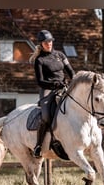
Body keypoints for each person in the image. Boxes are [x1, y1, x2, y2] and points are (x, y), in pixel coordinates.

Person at [29, 29, 75, 158]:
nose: (48, 44)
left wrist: (75, 81)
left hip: (63, 87)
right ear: (41, 44)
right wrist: (54, 84)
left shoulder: (60, 55)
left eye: (50, 41)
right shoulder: (39, 60)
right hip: (47, 90)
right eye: (45, 42)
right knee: (46, 117)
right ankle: (38, 145)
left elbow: (71, 71)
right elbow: (40, 81)